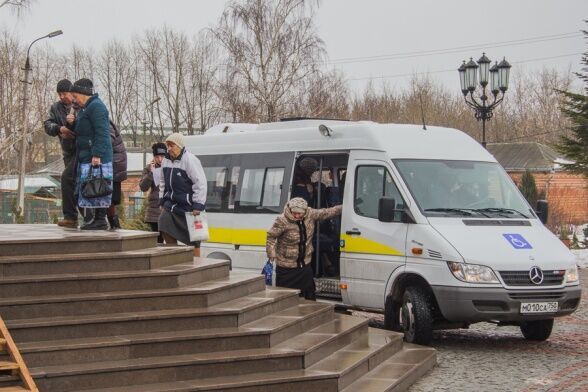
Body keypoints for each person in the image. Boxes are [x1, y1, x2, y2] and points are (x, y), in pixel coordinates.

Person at [266, 197, 342, 300]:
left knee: (309, 294)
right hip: (286, 268)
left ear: (305, 211)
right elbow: (271, 237)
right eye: (294, 213)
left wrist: (344, 207)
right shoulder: (282, 221)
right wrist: (271, 252)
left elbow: (326, 213)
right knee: (287, 298)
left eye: (299, 213)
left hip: (304, 266)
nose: (296, 216)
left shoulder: (310, 214)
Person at [68, 78, 112, 231]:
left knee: (98, 186)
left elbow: (103, 132)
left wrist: (97, 154)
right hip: (87, 155)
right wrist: (72, 123)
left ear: (83, 93)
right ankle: (96, 219)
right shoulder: (86, 108)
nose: (73, 99)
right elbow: (82, 131)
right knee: (90, 187)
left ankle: (100, 220)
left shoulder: (96, 107)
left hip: (97, 157)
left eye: (75, 95)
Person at [158, 133, 207, 256]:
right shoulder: (165, 161)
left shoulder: (190, 160)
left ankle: (196, 265)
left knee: (194, 241)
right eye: (167, 146)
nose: (168, 149)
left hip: (189, 208)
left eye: (171, 145)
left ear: (179, 146)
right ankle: (174, 256)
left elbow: (200, 183)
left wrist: (198, 205)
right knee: (163, 223)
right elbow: (163, 182)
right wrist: (162, 201)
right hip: (171, 205)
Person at [44, 79, 78, 228]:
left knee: (71, 180)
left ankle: (76, 216)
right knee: (70, 182)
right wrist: (59, 129)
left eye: (64, 93)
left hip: (81, 149)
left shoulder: (79, 105)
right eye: (59, 94)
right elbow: (47, 124)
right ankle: (71, 217)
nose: (62, 96)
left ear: (71, 93)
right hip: (68, 151)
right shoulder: (55, 108)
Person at [140, 142, 167, 243]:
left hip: (168, 207)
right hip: (155, 210)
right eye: (157, 157)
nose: (160, 159)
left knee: (170, 239)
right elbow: (143, 187)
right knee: (158, 240)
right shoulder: (148, 168)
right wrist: (151, 173)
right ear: (154, 156)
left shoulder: (171, 166)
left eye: (162, 156)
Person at [106, 121, 127, 229]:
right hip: (113, 165)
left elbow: (107, 141)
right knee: (108, 200)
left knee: (109, 200)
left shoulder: (104, 122)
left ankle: (115, 226)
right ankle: (114, 226)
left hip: (113, 166)